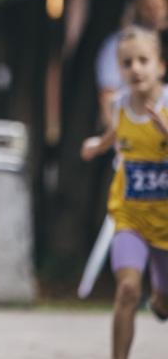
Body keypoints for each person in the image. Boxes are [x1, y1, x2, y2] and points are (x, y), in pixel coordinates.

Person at [81, 26, 168, 359]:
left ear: (160, 65)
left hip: (165, 221)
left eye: (143, 60)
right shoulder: (119, 105)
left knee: (164, 300)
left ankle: (161, 299)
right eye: (127, 62)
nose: (135, 68)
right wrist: (97, 145)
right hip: (130, 215)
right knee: (128, 289)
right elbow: (113, 136)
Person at [96, 0, 168, 125]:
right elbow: (107, 94)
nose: (136, 68)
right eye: (148, 7)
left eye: (159, 6)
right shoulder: (119, 43)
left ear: (160, 66)